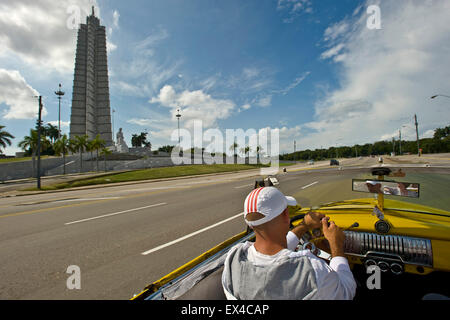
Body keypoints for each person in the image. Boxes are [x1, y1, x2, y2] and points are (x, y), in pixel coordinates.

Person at [222, 187, 356, 300]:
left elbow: (273, 252)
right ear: (286, 215)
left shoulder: (233, 258)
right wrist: (336, 244)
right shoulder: (310, 269)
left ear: (249, 223)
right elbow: (346, 291)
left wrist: (304, 226)